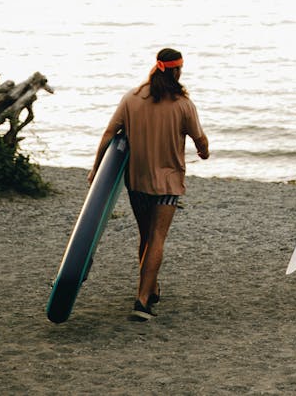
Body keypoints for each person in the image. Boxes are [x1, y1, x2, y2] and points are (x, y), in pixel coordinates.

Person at [88, 47, 209, 321]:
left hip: (137, 180)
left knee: (146, 234)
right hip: (167, 183)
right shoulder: (182, 104)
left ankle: (151, 287)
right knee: (157, 238)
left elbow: (109, 134)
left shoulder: (132, 98)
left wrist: (96, 169)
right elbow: (199, 139)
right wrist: (205, 152)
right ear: (177, 71)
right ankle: (142, 301)